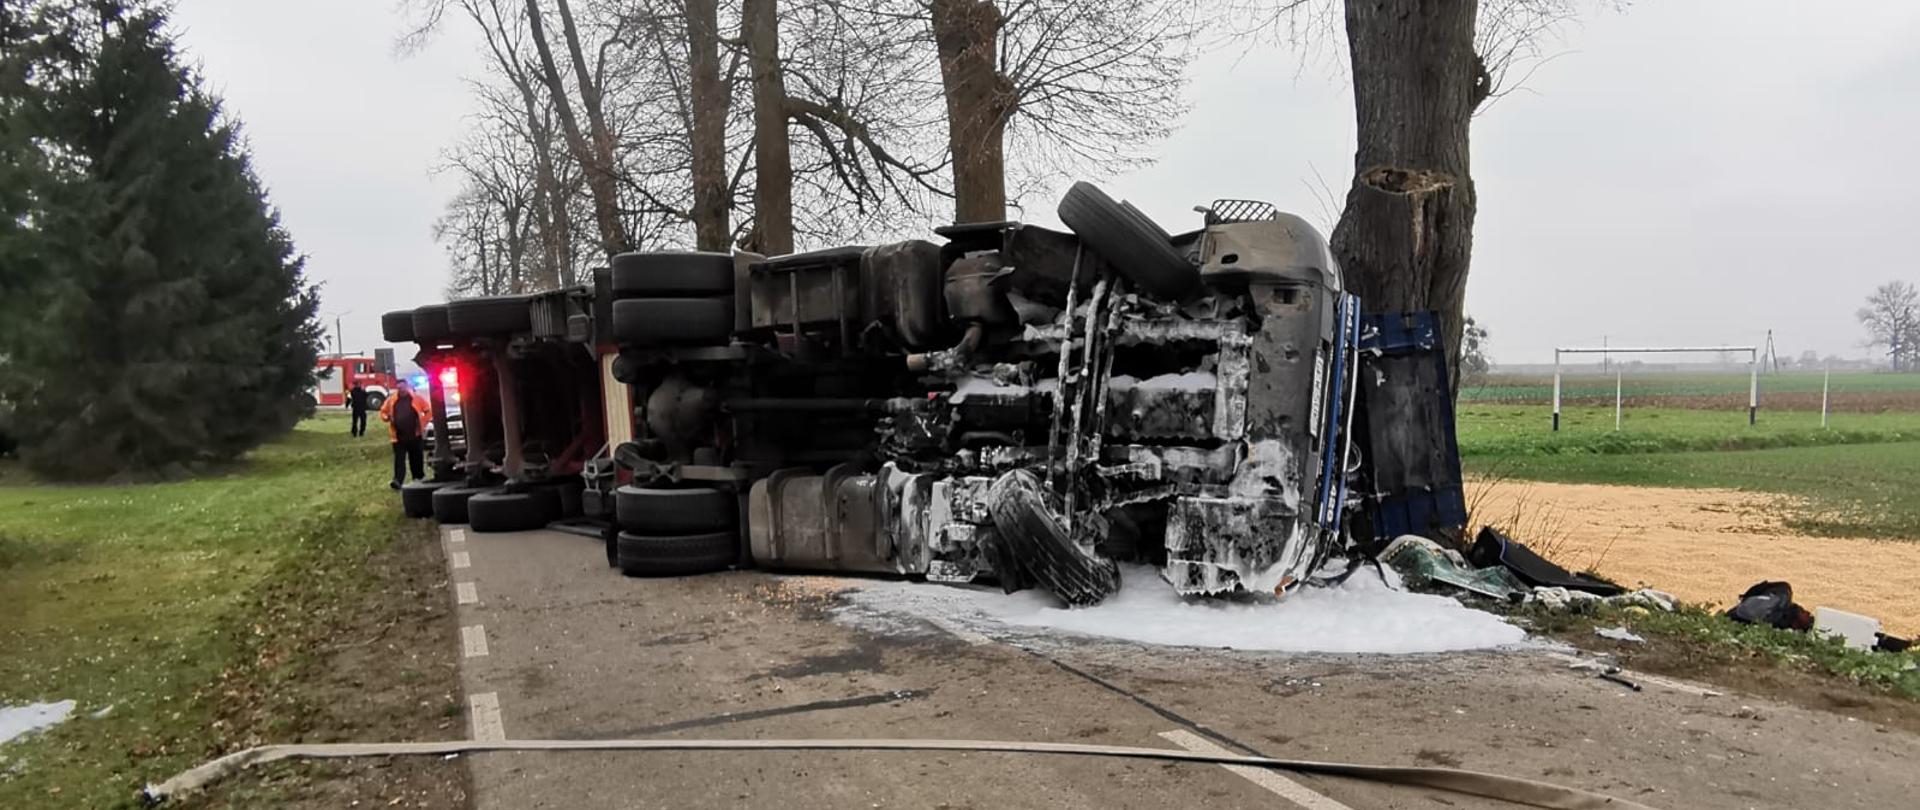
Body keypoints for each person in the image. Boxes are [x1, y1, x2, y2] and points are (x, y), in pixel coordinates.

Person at [380, 380, 432, 489]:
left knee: (416, 457)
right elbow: (383, 412)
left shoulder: (416, 398)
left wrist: (423, 422)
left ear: (407, 387)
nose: (401, 390)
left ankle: (418, 477)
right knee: (399, 459)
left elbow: (428, 411)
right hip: (398, 436)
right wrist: (386, 418)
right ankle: (397, 480)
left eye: (403, 388)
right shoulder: (392, 400)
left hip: (414, 434)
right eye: (399, 388)